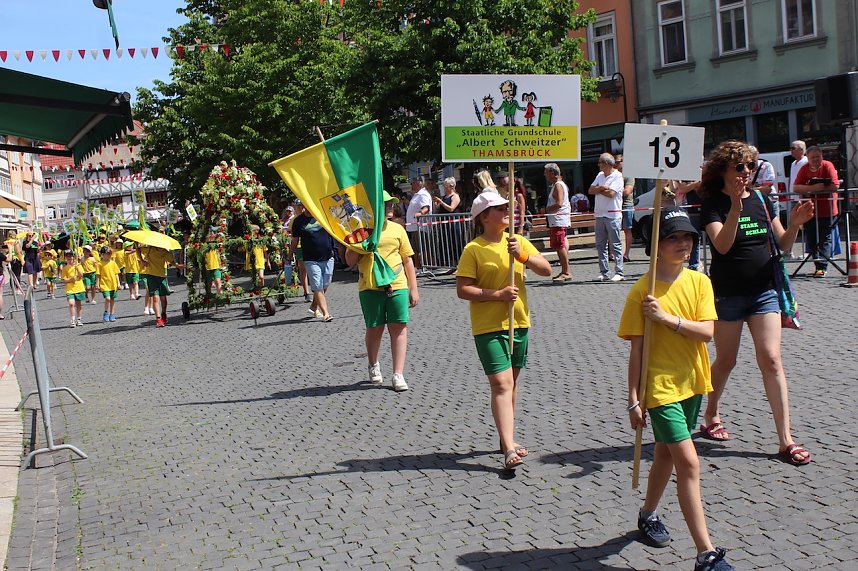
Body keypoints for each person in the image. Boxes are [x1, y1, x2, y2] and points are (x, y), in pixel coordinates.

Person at [618, 207, 735, 571]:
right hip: (660, 388)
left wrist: (666, 319)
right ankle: (705, 554)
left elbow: (707, 332)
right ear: (655, 245)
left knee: (666, 455)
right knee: (688, 462)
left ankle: (647, 513)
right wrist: (634, 399)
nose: (683, 244)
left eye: (687, 237)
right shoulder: (642, 289)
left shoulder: (700, 281)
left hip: (693, 382)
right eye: (672, 237)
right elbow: (637, 348)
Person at [698, 140, 814, 466]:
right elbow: (721, 245)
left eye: (751, 166)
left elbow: (783, 244)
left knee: (772, 359)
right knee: (726, 361)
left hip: (764, 291)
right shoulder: (713, 203)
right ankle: (710, 414)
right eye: (739, 167)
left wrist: (794, 225)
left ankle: (785, 440)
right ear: (722, 170)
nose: (746, 172)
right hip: (727, 294)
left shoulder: (763, 198)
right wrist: (734, 207)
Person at [455, 193, 552, 470]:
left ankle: (504, 438)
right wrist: (497, 294)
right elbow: (463, 290)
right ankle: (509, 448)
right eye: (499, 208)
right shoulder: (473, 249)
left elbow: (545, 269)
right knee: (501, 384)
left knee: (512, 384)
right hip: (488, 327)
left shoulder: (518, 241)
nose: (507, 211)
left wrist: (522, 256)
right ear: (484, 217)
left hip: (519, 322)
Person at [345, 191, 419, 392]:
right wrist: (358, 243)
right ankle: (373, 364)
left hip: (397, 285)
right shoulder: (362, 230)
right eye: (385, 203)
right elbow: (349, 261)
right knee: (374, 328)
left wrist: (414, 288)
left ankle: (398, 374)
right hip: (370, 287)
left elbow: (407, 259)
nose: (390, 207)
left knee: (399, 328)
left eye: (391, 204)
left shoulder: (397, 229)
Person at [792, 146, 841, 277]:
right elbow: (796, 187)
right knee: (812, 239)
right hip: (809, 210)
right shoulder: (804, 169)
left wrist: (817, 188)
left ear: (821, 156)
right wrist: (813, 187)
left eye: (817, 157)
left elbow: (835, 186)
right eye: (812, 157)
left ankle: (822, 266)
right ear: (808, 158)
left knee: (825, 238)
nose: (815, 159)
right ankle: (817, 263)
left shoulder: (827, 166)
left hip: (827, 210)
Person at [289, 205, 336, 322]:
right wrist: (289, 255)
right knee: (317, 285)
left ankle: (314, 307)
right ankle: (326, 313)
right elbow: (295, 240)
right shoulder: (298, 221)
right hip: (310, 259)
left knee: (325, 283)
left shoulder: (322, 215)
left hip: (328, 257)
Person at [590, 153, 625, 281]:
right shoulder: (600, 175)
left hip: (613, 215)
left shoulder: (618, 176)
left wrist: (599, 189)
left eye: (600, 162)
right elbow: (590, 190)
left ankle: (619, 272)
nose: (599, 165)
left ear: (606, 164)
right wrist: (602, 187)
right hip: (599, 214)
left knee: (615, 244)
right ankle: (604, 272)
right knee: (601, 245)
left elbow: (611, 194)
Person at [544, 162, 572, 282]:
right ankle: (564, 270)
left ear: (551, 173)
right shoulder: (557, 185)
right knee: (562, 244)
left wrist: (545, 209)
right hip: (558, 220)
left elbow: (559, 203)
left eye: (546, 172)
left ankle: (566, 272)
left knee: (560, 245)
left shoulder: (558, 185)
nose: (544, 175)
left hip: (558, 220)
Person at [140, 245, 174, 327]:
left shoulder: (166, 252)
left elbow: (172, 261)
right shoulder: (150, 249)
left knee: (163, 299)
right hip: (151, 277)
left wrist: (178, 266)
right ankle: (158, 319)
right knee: (155, 298)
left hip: (162, 277)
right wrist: (141, 260)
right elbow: (138, 249)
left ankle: (163, 313)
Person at [432, 176, 464, 262]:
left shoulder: (455, 196)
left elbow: (451, 208)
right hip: (444, 224)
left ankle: (458, 262)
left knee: (455, 243)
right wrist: (436, 204)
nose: (444, 188)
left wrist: (441, 202)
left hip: (453, 223)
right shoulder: (445, 197)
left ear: (451, 186)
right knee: (446, 243)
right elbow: (439, 209)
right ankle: (448, 262)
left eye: (446, 186)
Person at [785, 141, 808, 259]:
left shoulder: (806, 162)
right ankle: (788, 251)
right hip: (793, 197)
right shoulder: (793, 163)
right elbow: (791, 179)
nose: (791, 150)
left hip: (802, 197)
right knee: (792, 224)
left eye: (793, 148)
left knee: (806, 224)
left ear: (801, 150)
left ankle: (808, 251)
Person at [405, 177, 432, 269]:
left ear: (418, 183)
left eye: (413, 183)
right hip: (414, 226)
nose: (411, 185)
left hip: (419, 226)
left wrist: (420, 213)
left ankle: (426, 265)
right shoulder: (418, 194)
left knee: (421, 247)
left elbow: (426, 207)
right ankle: (418, 266)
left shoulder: (422, 194)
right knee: (415, 247)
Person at [289, 200, 311, 302]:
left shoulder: (310, 216)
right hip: (299, 247)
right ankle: (306, 292)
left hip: (311, 245)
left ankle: (317, 289)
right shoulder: (294, 220)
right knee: (303, 270)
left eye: (302, 207)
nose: (300, 209)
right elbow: (292, 234)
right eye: (298, 207)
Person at [616, 154, 636, 262]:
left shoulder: (629, 175)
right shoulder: (613, 175)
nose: (615, 164)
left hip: (627, 205)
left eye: (618, 162)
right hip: (615, 206)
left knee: (627, 230)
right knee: (615, 230)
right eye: (615, 162)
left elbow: (627, 191)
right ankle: (614, 254)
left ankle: (626, 254)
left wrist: (613, 191)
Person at [748, 146, 777, 216]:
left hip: (769, 201)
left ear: (757, 155)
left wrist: (749, 189)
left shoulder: (766, 166)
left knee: (773, 226)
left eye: (753, 158)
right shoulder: (745, 168)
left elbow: (767, 189)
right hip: (755, 202)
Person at [95, 246, 120, 322]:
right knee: (107, 298)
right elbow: (98, 275)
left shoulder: (113, 263)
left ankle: (112, 314)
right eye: (107, 253)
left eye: (110, 253)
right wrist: (97, 284)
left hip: (113, 284)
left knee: (112, 299)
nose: (109, 255)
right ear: (102, 254)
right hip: (104, 284)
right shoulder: (99, 264)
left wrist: (118, 283)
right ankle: (106, 312)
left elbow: (116, 274)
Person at [61, 250, 85, 327]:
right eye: (67, 256)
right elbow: (64, 280)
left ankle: (79, 319)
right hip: (70, 289)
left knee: (78, 304)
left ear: (73, 257)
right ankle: (72, 319)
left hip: (79, 288)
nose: (69, 257)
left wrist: (77, 269)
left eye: (70, 256)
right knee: (71, 304)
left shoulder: (79, 265)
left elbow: (81, 276)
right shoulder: (65, 268)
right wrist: (71, 279)